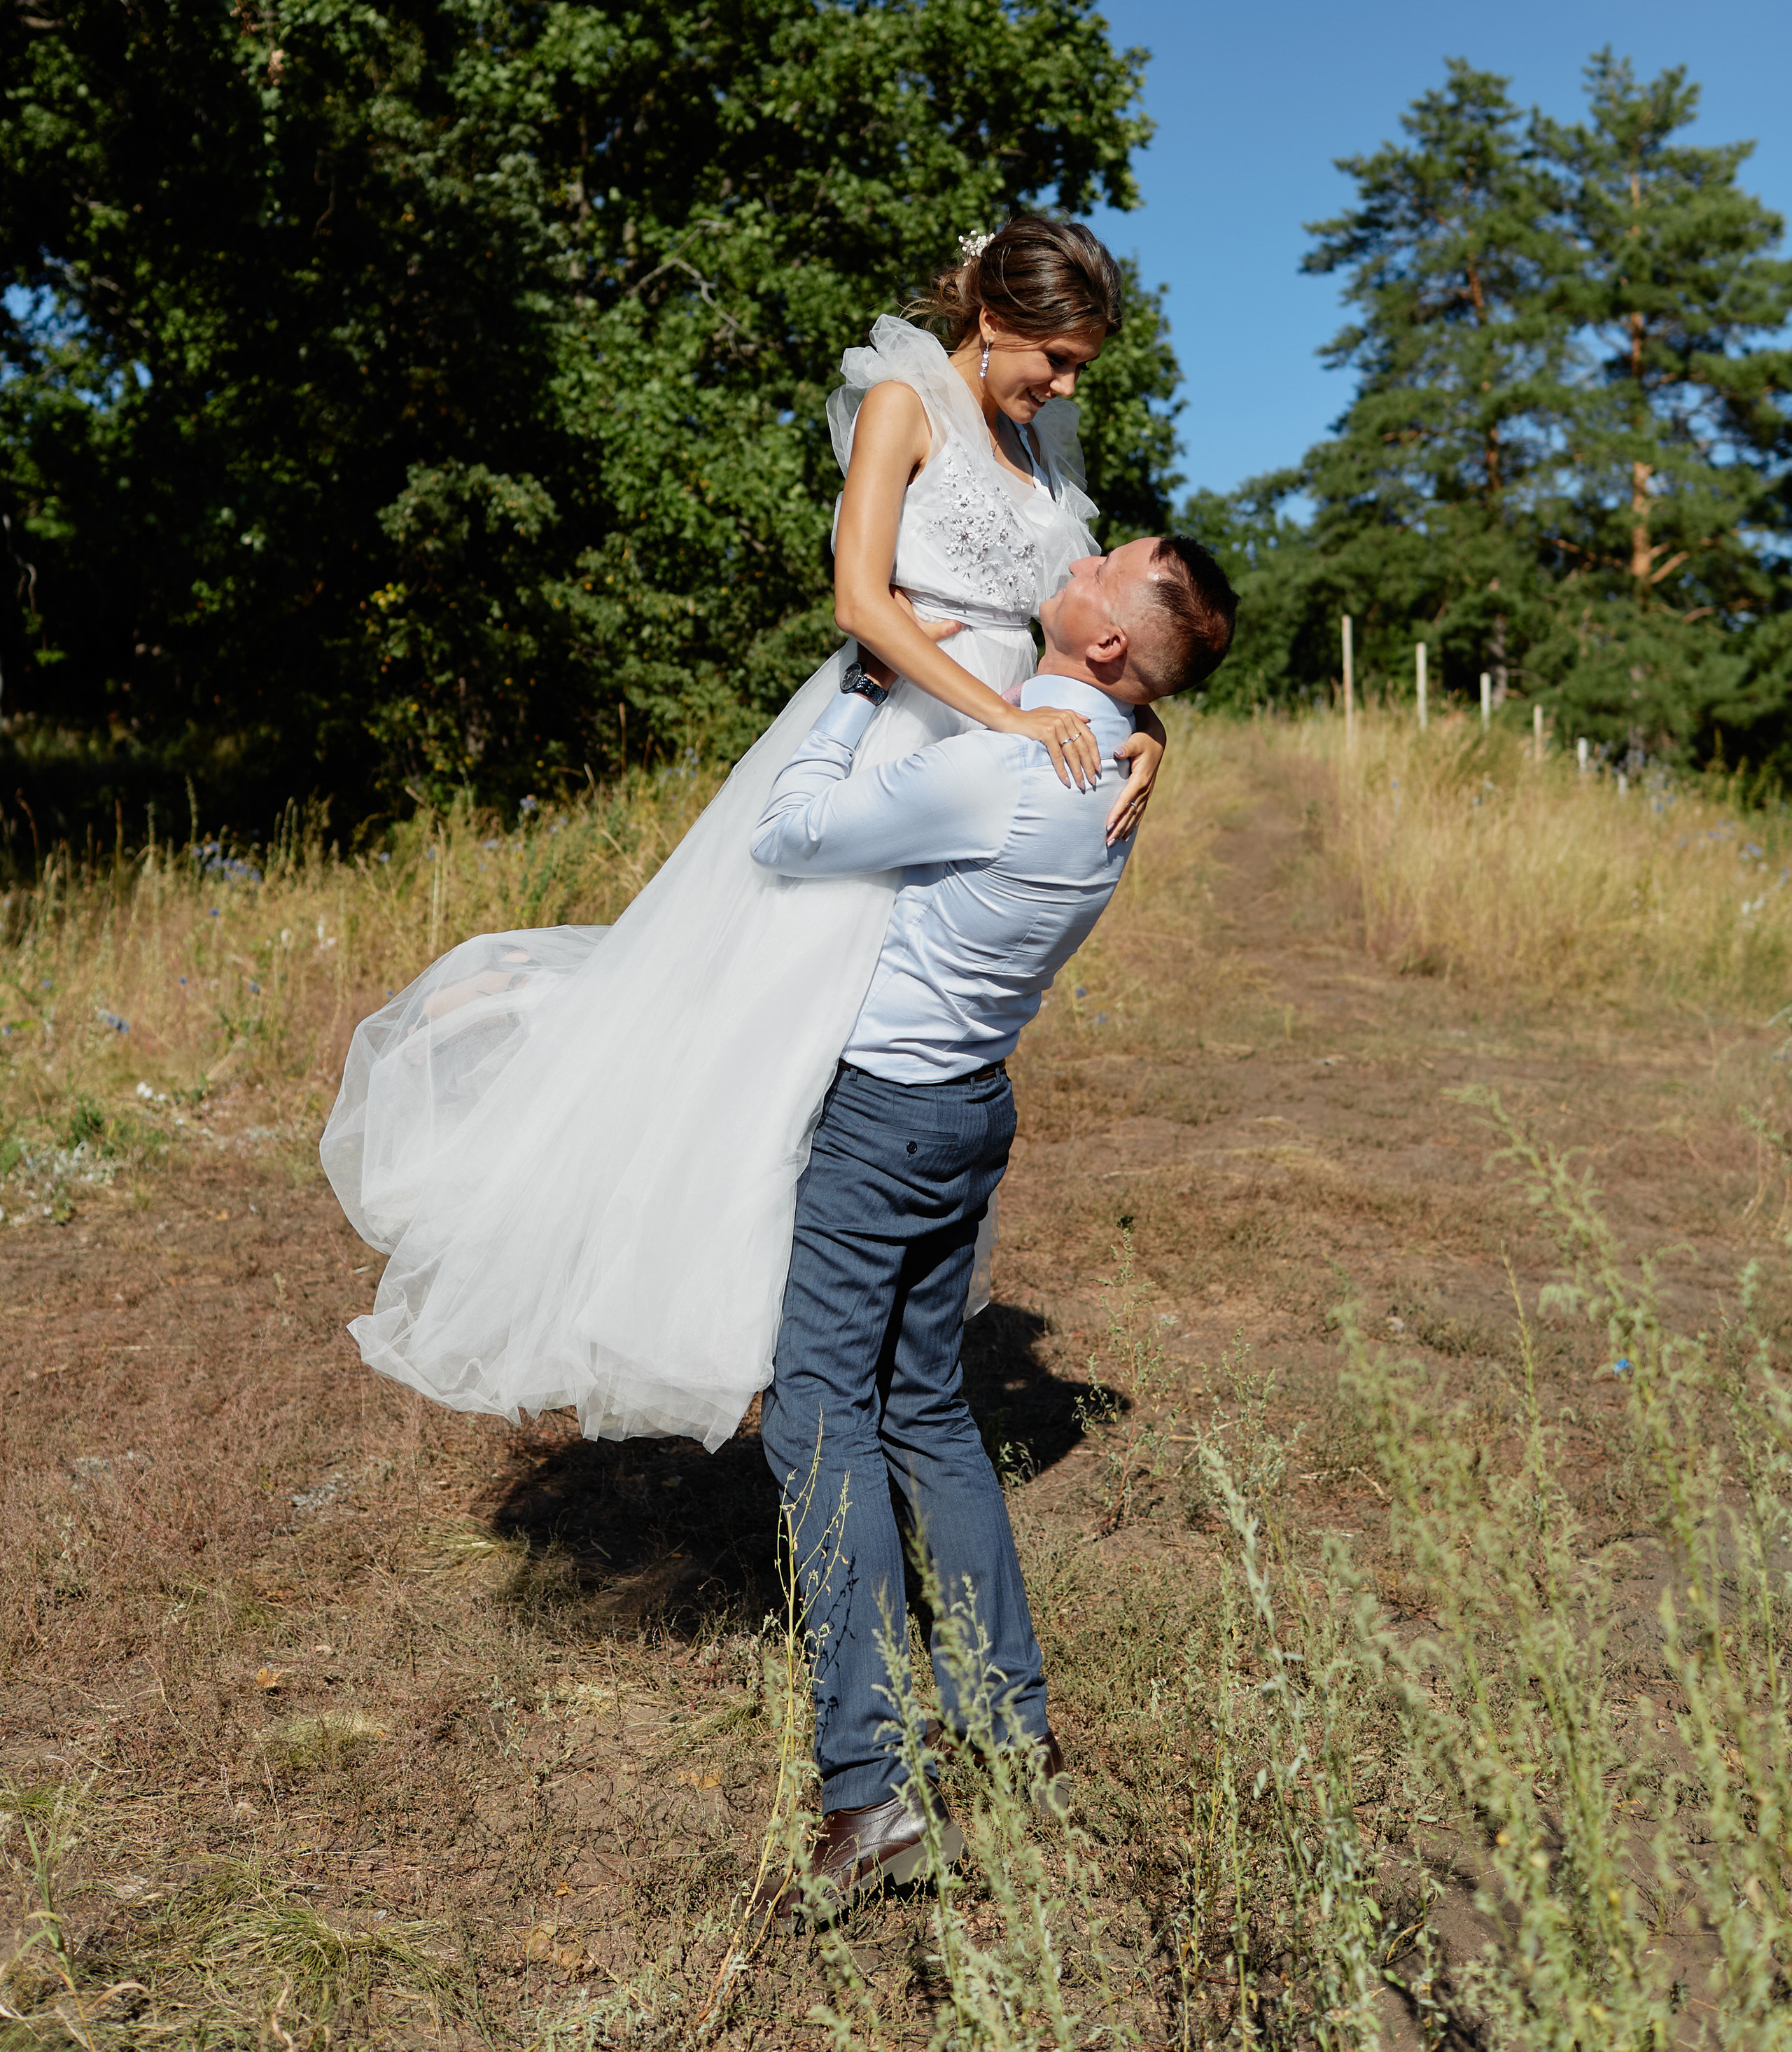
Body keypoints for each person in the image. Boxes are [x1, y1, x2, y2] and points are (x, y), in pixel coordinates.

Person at [321, 214, 1169, 1453]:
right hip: (899, 726)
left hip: (999, 757)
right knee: (762, 1023)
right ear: (993, 321)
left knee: (891, 1042)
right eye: (1057, 356)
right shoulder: (901, 404)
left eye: (1081, 364)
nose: (1068, 385)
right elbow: (858, 596)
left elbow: (1107, 624)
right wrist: (1009, 723)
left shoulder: (1043, 448)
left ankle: (838, 1331)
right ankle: (707, 1302)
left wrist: (1140, 729)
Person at [750, 530, 1237, 1924]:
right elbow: (1129, 711)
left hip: (881, 1117)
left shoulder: (1015, 761)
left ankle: (870, 1788)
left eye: (1113, 562)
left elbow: (787, 840)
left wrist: (851, 693)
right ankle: (1008, 1729)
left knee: (818, 1422)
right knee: (924, 1411)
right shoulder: (1112, 766)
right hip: (966, 1112)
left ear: (1100, 644)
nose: (1083, 552)